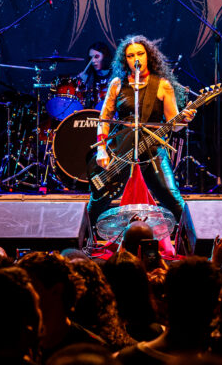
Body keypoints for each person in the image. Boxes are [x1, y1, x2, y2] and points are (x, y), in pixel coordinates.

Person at [86, 35, 196, 228]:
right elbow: (103, 119)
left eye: (140, 53)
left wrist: (184, 119)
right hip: (121, 151)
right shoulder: (117, 84)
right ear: (124, 59)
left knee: (173, 200)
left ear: (148, 56)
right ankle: (82, 240)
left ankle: (191, 245)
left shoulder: (163, 85)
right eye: (130, 55)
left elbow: (174, 125)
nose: (136, 58)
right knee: (99, 200)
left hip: (152, 151)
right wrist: (102, 149)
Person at [78, 41, 113, 110]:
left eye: (96, 57)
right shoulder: (89, 77)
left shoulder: (115, 74)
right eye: (91, 58)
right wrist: (84, 82)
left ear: (105, 56)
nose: (93, 61)